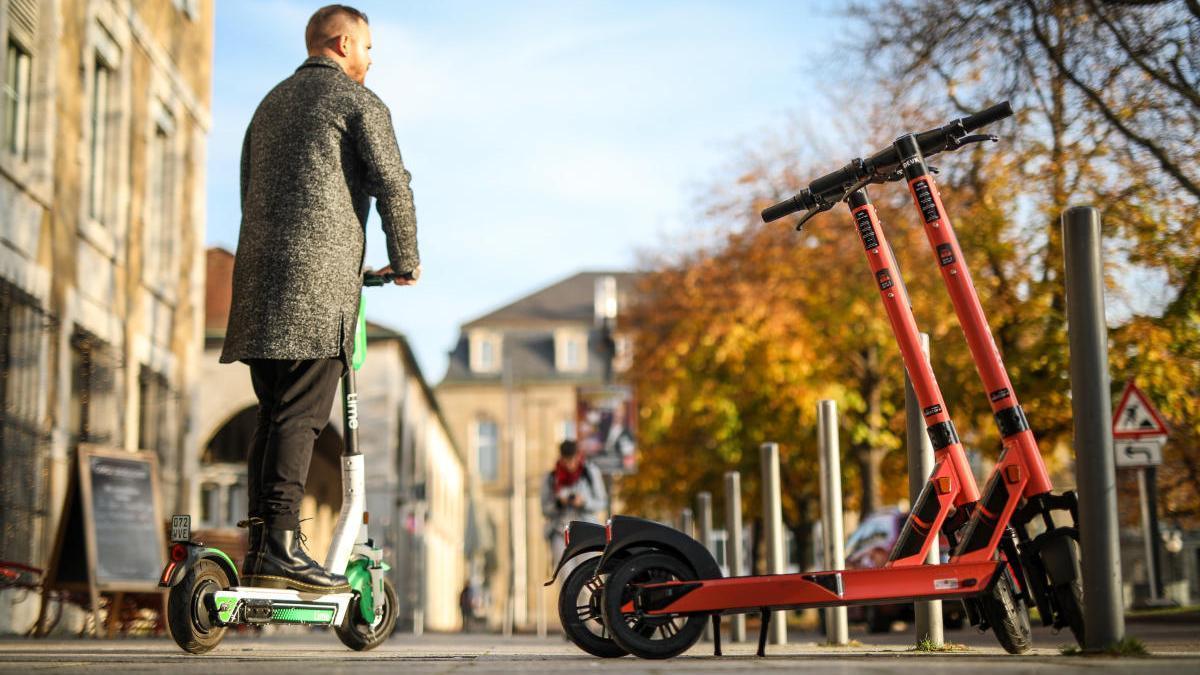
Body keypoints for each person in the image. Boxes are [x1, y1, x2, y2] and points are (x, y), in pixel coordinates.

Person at [220, 4, 420, 592]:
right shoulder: (358, 102)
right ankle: (282, 545)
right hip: (318, 287)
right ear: (340, 44)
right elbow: (394, 184)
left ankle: (262, 542)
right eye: (366, 47)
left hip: (258, 284)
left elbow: (247, 191)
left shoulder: (268, 106)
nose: (371, 59)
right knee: (302, 418)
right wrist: (405, 260)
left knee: (272, 415)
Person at [540, 440, 607, 566]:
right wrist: (559, 504)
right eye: (566, 460)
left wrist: (584, 502)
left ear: (578, 456)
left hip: (587, 532)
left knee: (586, 577)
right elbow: (545, 509)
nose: (569, 465)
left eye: (572, 460)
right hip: (560, 533)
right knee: (566, 577)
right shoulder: (551, 477)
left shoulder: (590, 473)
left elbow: (601, 502)